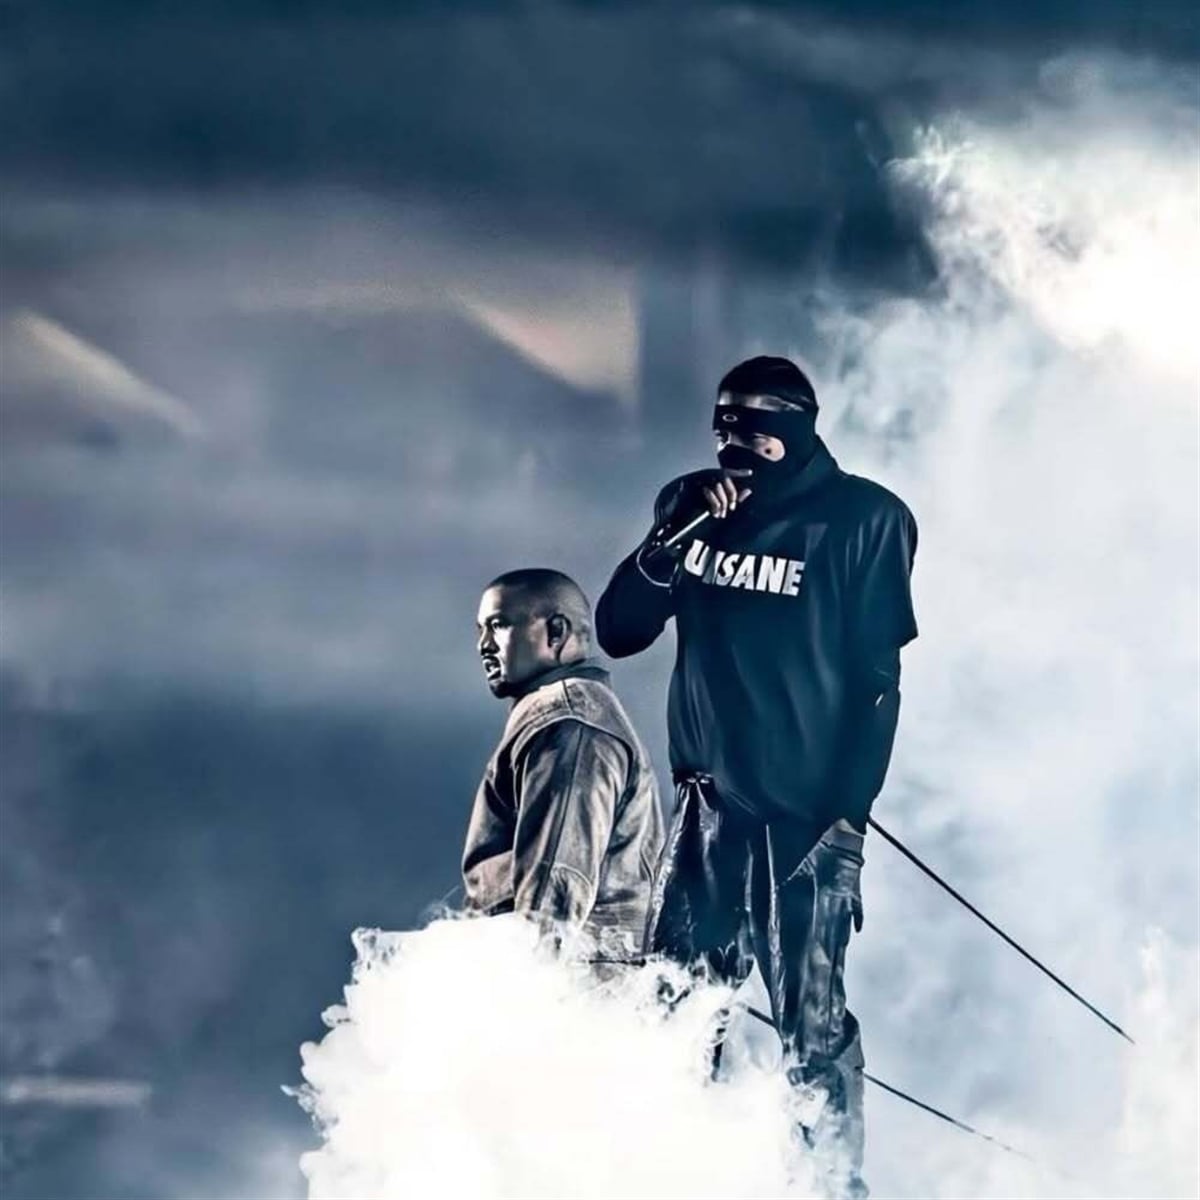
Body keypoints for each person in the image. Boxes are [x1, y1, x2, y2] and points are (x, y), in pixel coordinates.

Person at [595, 356, 918, 1196]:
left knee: (810, 1026)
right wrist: (670, 539)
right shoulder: (691, 507)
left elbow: (878, 684)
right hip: (708, 808)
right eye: (723, 426)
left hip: (806, 821)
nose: (734, 443)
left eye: (756, 428)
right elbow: (619, 630)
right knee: (670, 1007)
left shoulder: (865, 519)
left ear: (796, 427)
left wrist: (848, 821)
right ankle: (674, 1178)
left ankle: (830, 1187)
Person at [462, 568, 664, 954]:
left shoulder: (571, 725)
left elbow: (554, 896)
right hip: (573, 973)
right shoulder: (559, 715)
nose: (483, 645)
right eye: (480, 630)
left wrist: (530, 978)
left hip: (576, 979)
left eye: (499, 625)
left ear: (556, 632)